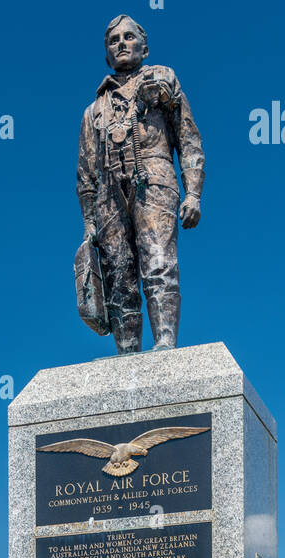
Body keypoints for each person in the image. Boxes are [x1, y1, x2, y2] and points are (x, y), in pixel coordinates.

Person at [76, 14, 204, 353]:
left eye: (128, 37)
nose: (121, 43)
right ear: (107, 55)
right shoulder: (93, 111)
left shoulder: (163, 82)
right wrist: (89, 223)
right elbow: (85, 173)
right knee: (119, 277)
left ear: (144, 47)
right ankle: (128, 356)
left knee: (159, 263)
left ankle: (164, 345)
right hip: (108, 198)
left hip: (155, 180)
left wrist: (193, 193)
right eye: (113, 40)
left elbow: (188, 140)